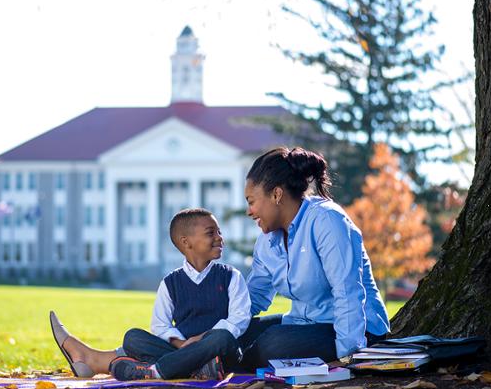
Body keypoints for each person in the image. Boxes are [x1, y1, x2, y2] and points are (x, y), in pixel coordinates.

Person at [50, 208, 251, 380]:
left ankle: (155, 371)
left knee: (222, 337)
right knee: (133, 338)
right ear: (186, 242)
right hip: (179, 351)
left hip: (221, 355)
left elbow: (238, 320)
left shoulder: (231, 276)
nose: (219, 238)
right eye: (211, 233)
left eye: (219, 232)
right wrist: (182, 345)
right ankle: (196, 369)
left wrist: (199, 340)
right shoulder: (170, 283)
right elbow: (160, 326)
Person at [238, 146, 390, 370]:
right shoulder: (267, 240)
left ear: (276, 194)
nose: (249, 211)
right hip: (304, 323)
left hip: (355, 329)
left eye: (251, 201)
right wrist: (219, 330)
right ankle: (231, 361)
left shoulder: (327, 221)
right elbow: (255, 295)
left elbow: (347, 292)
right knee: (241, 332)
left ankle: (237, 364)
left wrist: (350, 357)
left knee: (271, 344)